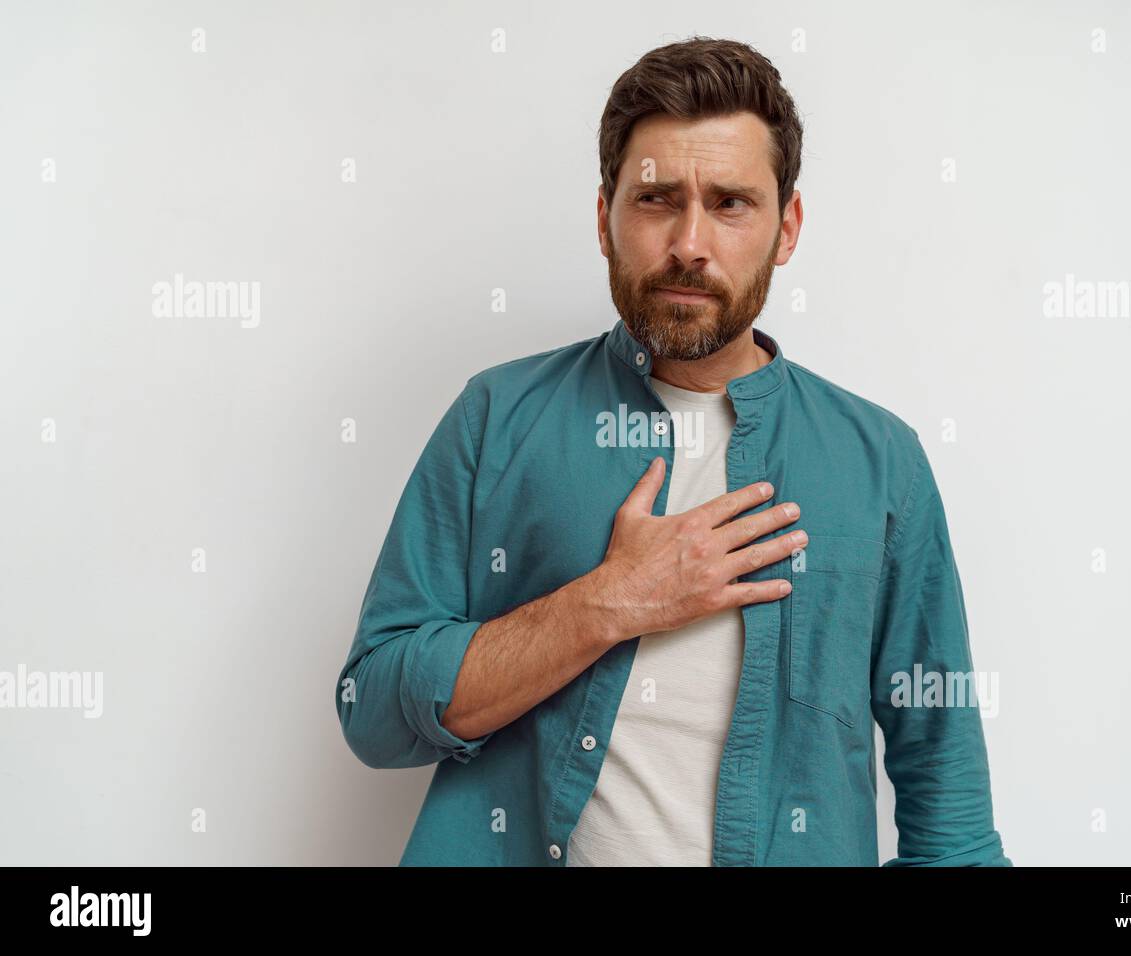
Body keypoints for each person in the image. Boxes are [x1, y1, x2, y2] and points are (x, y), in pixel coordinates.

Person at [335, 36, 1010, 867]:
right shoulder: (496, 418)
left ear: (786, 227)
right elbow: (371, 710)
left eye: (730, 203)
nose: (691, 242)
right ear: (603, 216)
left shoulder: (881, 464)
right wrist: (608, 602)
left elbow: (949, 810)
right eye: (658, 200)